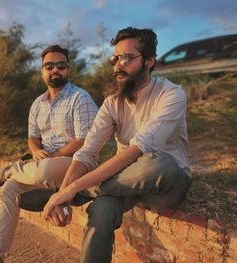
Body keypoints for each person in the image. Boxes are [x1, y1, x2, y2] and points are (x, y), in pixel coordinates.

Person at [43, 27, 191, 263]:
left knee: (160, 162)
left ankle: (81, 194)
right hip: (123, 185)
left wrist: (71, 189)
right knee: (101, 209)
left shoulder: (171, 94)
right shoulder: (112, 102)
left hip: (164, 183)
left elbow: (138, 150)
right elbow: (87, 152)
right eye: (116, 58)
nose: (117, 65)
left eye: (127, 58)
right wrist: (64, 194)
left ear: (149, 61)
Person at [0, 44, 98, 262]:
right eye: (49, 66)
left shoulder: (80, 98)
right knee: (11, 190)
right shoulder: (37, 104)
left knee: (42, 170)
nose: (55, 70)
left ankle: (7, 171)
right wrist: (37, 150)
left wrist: (55, 153)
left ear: (68, 69)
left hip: (74, 163)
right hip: (42, 165)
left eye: (61, 65)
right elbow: (32, 137)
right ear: (42, 71)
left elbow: (85, 139)